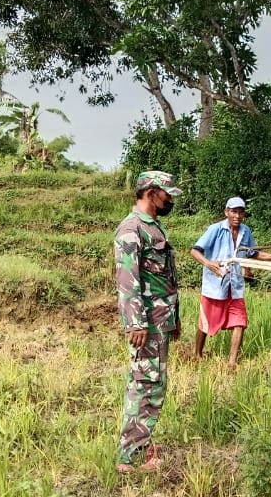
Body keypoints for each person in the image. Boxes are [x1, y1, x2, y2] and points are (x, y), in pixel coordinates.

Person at [113, 170, 183, 474]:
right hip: (147, 324)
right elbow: (128, 280)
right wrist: (136, 323)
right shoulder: (132, 229)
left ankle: (139, 446)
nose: (169, 199)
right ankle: (131, 455)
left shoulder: (153, 227)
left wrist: (174, 319)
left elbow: (165, 279)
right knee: (144, 384)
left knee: (153, 384)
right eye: (166, 193)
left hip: (159, 321)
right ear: (151, 191)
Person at [188, 196, 271, 368]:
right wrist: (209, 263)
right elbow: (194, 251)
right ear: (227, 212)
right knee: (206, 323)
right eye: (234, 211)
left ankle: (232, 363)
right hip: (215, 285)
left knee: (240, 322)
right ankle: (197, 354)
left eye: (241, 212)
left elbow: (253, 254)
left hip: (235, 286)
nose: (237, 215)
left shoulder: (246, 231)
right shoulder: (215, 229)